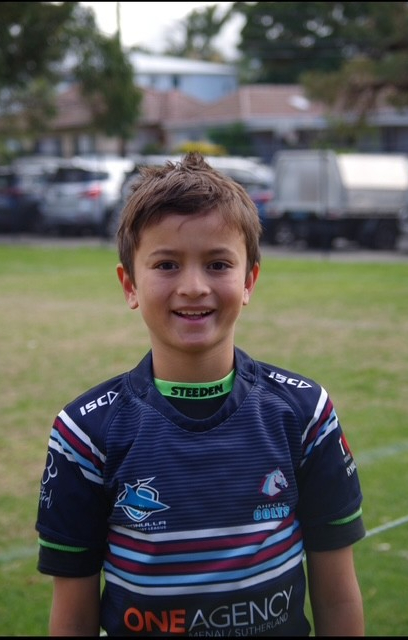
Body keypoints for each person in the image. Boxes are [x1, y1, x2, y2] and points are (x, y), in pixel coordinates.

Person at [35, 152, 365, 637]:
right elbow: (72, 615)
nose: (193, 287)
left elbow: (337, 596)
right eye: (167, 264)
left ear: (249, 280)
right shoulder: (84, 433)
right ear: (130, 285)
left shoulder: (305, 413)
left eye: (217, 264)